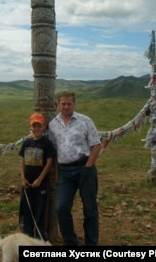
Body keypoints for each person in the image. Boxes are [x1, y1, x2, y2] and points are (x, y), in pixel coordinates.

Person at [48, 90, 102, 246]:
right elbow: (54, 150)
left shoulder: (85, 121)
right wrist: (57, 174)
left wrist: (88, 167)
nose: (66, 106)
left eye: (69, 103)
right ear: (58, 105)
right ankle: (70, 242)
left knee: (90, 208)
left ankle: (91, 243)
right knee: (61, 208)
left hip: (84, 167)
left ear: (74, 104)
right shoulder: (53, 125)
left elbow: (96, 145)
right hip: (64, 171)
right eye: (63, 103)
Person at [19, 113, 56, 241]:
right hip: (27, 184)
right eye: (34, 126)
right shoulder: (26, 142)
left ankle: (40, 241)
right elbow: (22, 160)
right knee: (26, 212)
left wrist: (40, 179)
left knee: (40, 214)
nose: (36, 129)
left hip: (41, 185)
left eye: (39, 126)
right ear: (31, 126)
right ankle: (26, 240)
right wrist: (23, 178)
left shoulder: (47, 144)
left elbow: (49, 162)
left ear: (43, 126)